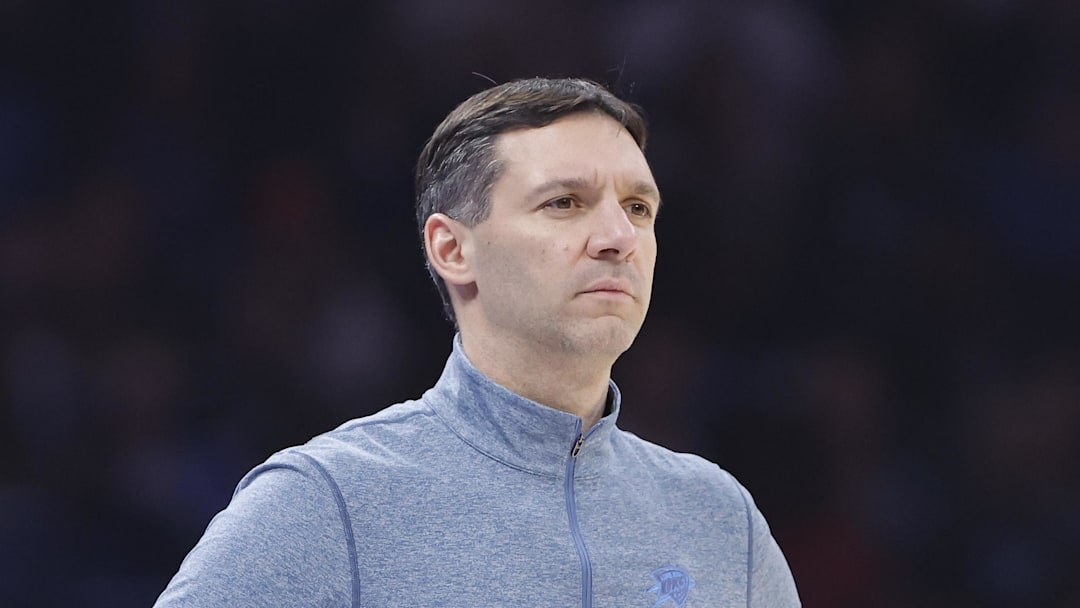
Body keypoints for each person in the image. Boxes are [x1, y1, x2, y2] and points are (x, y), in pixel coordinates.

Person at [154, 77, 800, 607]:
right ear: (452, 249)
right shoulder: (327, 500)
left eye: (638, 207)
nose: (618, 238)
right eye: (564, 203)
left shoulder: (719, 518)